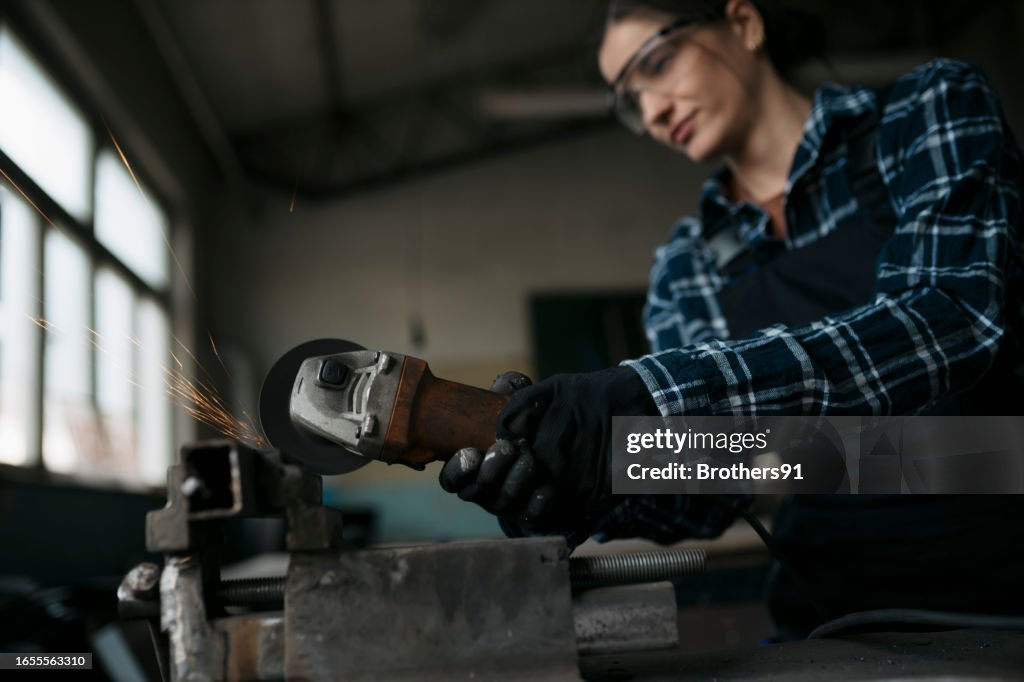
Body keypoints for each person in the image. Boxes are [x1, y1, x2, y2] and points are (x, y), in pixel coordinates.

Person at [440, 0, 1024, 635]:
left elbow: (952, 318)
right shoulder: (689, 264)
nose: (654, 112)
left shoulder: (927, 111)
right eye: (631, 102)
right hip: (832, 613)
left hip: (1002, 585)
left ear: (744, 23)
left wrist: (654, 402)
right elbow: (720, 478)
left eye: (657, 64)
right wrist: (587, 481)